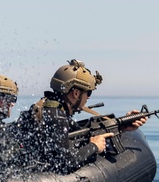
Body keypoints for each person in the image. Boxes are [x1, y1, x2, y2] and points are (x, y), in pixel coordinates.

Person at [11, 59, 147, 173]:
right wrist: (94, 146)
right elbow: (64, 162)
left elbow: (76, 131)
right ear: (76, 93)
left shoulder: (47, 107)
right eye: (88, 93)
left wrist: (122, 126)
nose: (87, 98)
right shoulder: (56, 117)